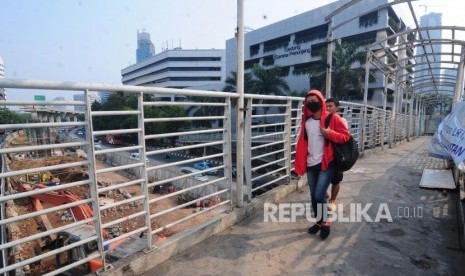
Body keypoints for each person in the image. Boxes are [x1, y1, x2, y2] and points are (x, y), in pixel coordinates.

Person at [294, 90, 350, 240]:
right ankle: (319, 222)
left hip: (327, 162)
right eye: (308, 101)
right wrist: (301, 162)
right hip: (311, 163)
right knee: (313, 196)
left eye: (314, 99)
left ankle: (326, 221)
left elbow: (346, 136)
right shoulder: (307, 122)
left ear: (321, 101)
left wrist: (329, 133)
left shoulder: (333, 118)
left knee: (319, 194)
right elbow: (303, 144)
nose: (312, 102)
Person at [325, 98, 349, 211]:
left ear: (337, 108)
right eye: (326, 106)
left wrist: (330, 133)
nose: (328, 108)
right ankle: (324, 195)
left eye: (330, 106)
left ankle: (333, 200)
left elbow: (344, 137)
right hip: (323, 155)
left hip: (337, 155)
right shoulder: (321, 119)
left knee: (336, 180)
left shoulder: (341, 120)